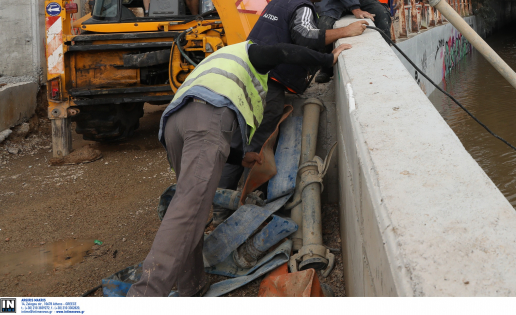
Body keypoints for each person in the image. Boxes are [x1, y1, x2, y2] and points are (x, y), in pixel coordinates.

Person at [127, 39, 350, 297]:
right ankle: (145, 295)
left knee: (190, 209)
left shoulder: (220, 62)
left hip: (176, 123)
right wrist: (326, 59)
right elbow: (281, 50)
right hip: (206, 120)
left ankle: (193, 285)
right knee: (187, 211)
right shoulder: (249, 52)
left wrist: (240, 157)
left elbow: (209, 121)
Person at [216, 0, 368, 190]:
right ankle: (252, 197)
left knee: (241, 140)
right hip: (269, 81)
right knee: (260, 141)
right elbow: (305, 37)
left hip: (249, 73)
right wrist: (345, 32)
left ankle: (220, 200)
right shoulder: (303, 7)